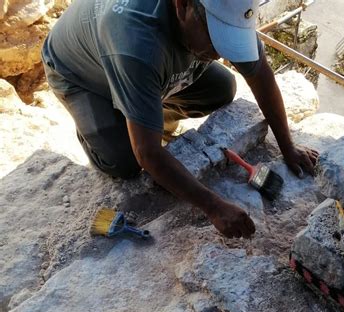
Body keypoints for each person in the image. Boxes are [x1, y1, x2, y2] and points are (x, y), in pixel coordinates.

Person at [42, 0, 318, 238]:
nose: (218, 52)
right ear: (182, 5)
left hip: (140, 66)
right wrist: (214, 207)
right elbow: (148, 155)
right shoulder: (136, 40)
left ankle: (142, 110)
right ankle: (114, 119)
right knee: (124, 161)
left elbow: (259, 74)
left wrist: (287, 147)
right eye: (214, 37)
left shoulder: (225, 8)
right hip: (81, 76)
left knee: (221, 89)